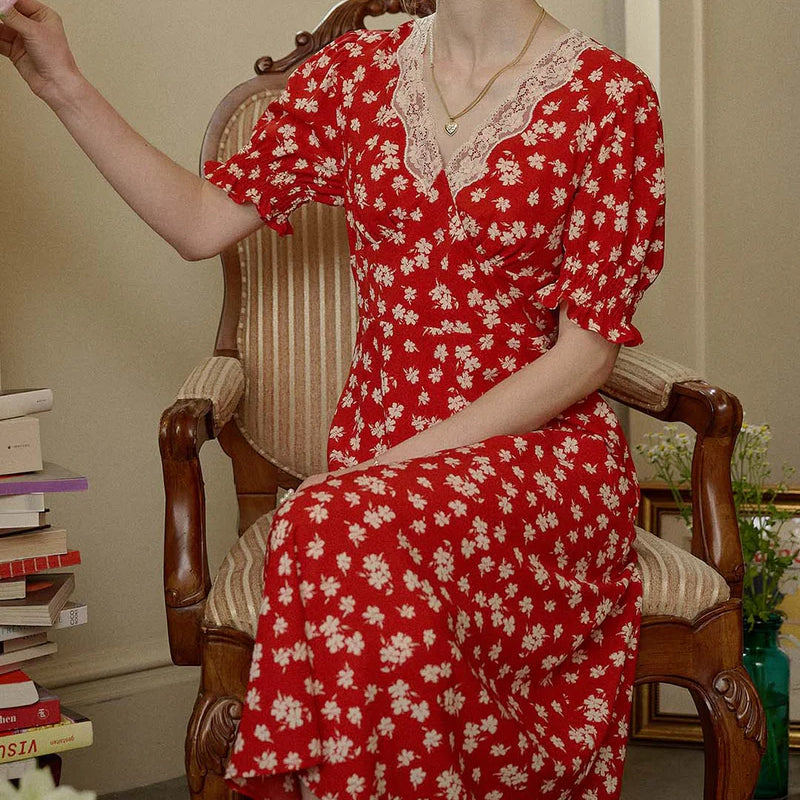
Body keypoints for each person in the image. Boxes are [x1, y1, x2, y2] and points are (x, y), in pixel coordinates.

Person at [1, 0, 666, 797]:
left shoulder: (609, 95)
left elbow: (586, 357)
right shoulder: (356, 77)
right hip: (375, 465)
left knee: (326, 523)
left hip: (538, 464)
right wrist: (63, 84)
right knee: (337, 528)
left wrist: (383, 471)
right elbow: (199, 222)